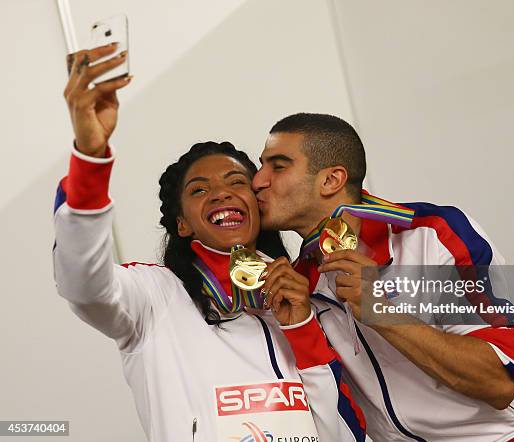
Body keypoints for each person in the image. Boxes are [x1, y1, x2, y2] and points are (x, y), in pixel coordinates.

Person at [53, 46, 366, 442]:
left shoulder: (305, 300)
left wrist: (302, 328)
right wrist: (91, 158)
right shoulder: (153, 297)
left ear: (258, 203)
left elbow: (342, 435)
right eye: (200, 190)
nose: (221, 194)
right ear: (182, 224)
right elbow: (82, 283)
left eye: (237, 183)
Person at [252, 113, 514, 441]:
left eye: (279, 165)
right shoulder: (299, 287)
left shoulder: (430, 235)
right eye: (261, 166)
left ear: (332, 180)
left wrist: (379, 309)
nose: (258, 180)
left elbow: (499, 383)